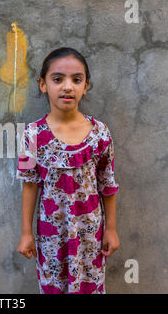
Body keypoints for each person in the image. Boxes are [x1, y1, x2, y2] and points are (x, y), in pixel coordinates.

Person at [16, 47, 120, 294]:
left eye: (76, 80)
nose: (67, 87)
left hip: (90, 237)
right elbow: (29, 184)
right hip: (52, 237)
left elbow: (108, 184)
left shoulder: (100, 133)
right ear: (43, 84)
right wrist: (25, 233)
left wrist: (112, 229)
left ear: (85, 86)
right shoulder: (32, 135)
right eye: (57, 79)